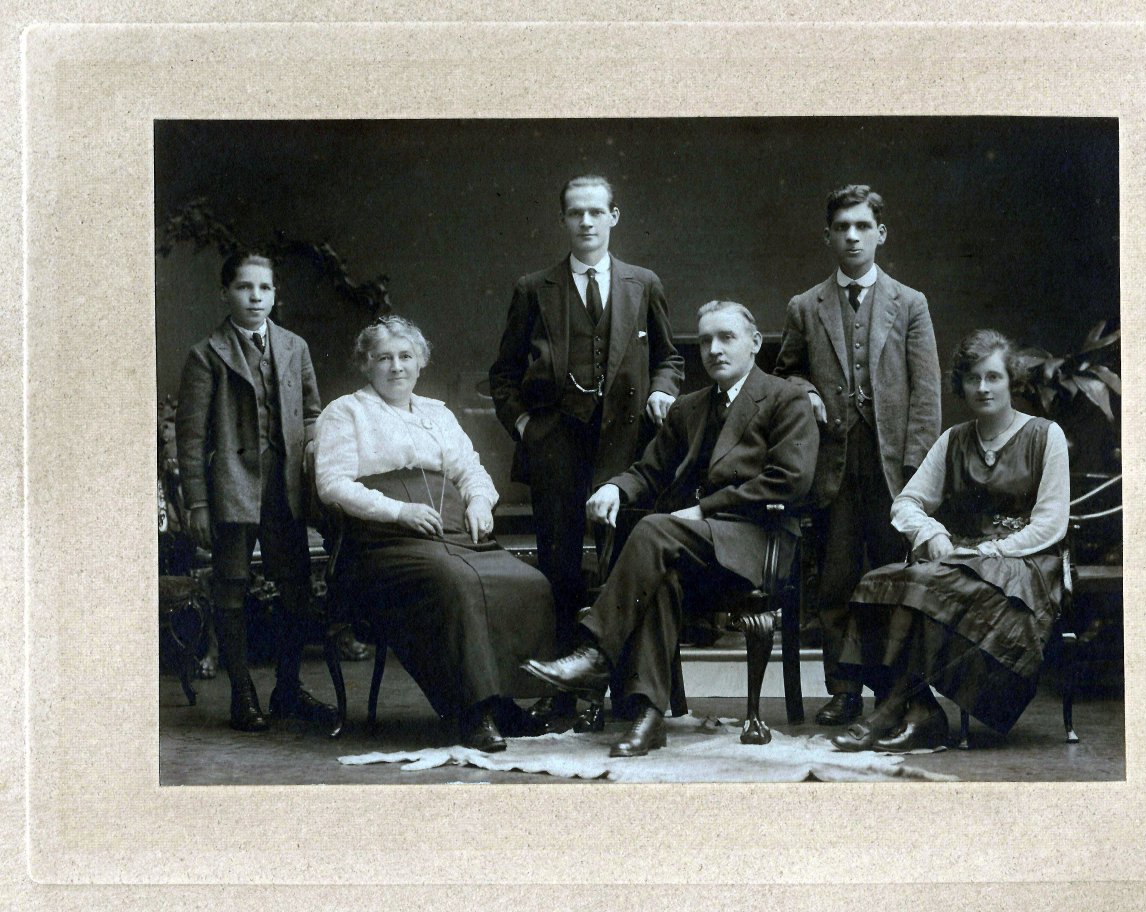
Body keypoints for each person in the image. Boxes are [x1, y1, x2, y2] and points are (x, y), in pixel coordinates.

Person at [521, 301, 818, 757]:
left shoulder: (785, 398)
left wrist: (704, 510)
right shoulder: (690, 408)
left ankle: (595, 654)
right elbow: (649, 471)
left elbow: (790, 480)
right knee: (660, 580)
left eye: (726, 338)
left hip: (756, 544)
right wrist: (618, 489)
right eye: (704, 340)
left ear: (755, 344)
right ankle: (649, 716)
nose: (714, 349)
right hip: (698, 550)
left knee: (656, 531)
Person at [488, 174, 683, 727]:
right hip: (557, 448)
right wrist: (524, 425)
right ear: (564, 220)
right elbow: (502, 374)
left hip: (624, 451)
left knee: (625, 566)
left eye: (597, 212)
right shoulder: (534, 288)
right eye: (576, 213)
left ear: (614, 217)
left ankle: (623, 687)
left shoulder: (643, 284)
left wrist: (663, 392)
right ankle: (560, 692)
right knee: (559, 570)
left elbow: (670, 358)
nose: (587, 222)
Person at [315, 316, 556, 752]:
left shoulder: (437, 413)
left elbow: (470, 470)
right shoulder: (346, 412)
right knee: (454, 582)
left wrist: (481, 502)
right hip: (381, 541)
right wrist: (399, 511)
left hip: (449, 530)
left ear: (421, 363)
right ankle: (472, 711)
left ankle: (505, 703)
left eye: (405, 356)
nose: (396, 367)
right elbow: (332, 483)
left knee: (528, 581)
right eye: (383, 358)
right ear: (366, 365)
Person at [831, 329, 1070, 752]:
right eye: (972, 378)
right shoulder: (954, 439)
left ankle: (890, 712)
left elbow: (1050, 524)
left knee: (930, 586)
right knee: (878, 583)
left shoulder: (1044, 435)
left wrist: (988, 550)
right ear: (960, 384)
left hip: (1023, 567)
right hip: (962, 559)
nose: (982, 387)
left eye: (993, 377)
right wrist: (933, 532)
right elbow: (906, 502)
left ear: (1010, 380)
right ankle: (920, 709)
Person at [774, 184, 941, 727]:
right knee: (838, 580)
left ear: (880, 233)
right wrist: (807, 391)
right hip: (833, 464)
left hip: (894, 466)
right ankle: (844, 689)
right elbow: (785, 374)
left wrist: (917, 475)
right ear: (828, 236)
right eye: (842, 227)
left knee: (893, 576)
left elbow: (927, 392)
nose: (851, 236)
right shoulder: (806, 305)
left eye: (862, 226)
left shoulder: (910, 303)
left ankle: (895, 690)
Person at [176, 250, 336, 732]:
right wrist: (199, 503)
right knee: (231, 586)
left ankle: (287, 689)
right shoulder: (207, 354)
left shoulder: (293, 347)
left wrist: (315, 470)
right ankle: (242, 693)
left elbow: (312, 414)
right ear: (226, 293)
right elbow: (190, 438)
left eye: (264, 288)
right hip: (231, 488)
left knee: (296, 587)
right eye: (245, 287)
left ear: (275, 294)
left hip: (284, 488)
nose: (255, 296)